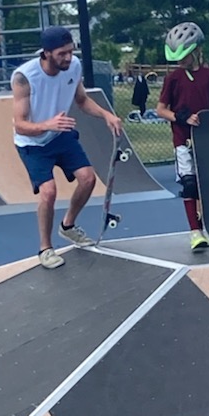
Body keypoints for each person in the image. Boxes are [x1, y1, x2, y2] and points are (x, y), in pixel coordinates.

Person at [12, 26, 122, 269]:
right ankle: (45, 248)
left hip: (59, 135)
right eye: (62, 53)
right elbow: (20, 125)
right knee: (48, 192)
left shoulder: (73, 67)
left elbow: (81, 100)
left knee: (88, 178)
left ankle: (68, 226)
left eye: (71, 52)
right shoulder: (24, 77)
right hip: (32, 142)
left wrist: (106, 115)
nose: (68, 58)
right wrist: (47, 124)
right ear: (46, 53)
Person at [155, 22, 209, 252]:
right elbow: (160, 109)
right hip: (182, 140)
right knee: (189, 184)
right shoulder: (173, 78)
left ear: (196, 50)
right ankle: (195, 232)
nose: (181, 61)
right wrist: (180, 117)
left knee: (208, 184)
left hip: (206, 141)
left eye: (185, 55)